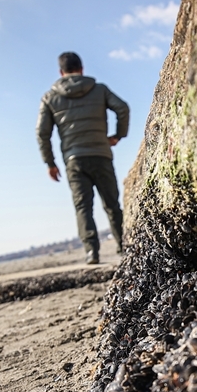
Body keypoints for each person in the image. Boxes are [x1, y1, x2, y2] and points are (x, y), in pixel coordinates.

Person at [37, 52, 129, 265]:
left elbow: (42, 133)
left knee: (83, 207)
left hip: (74, 159)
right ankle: (124, 246)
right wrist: (117, 136)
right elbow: (122, 108)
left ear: (61, 72)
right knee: (112, 204)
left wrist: (50, 163)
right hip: (101, 154)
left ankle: (91, 252)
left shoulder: (50, 98)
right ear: (82, 68)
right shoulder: (99, 90)